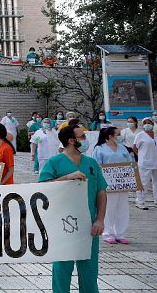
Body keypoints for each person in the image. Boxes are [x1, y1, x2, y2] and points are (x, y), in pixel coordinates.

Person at [39, 125, 107, 293]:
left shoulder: (91, 163)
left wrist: (99, 220)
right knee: (62, 269)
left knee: (89, 269)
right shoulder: (54, 162)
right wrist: (67, 178)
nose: (86, 140)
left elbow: (101, 192)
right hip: (62, 224)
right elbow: (42, 189)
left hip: (89, 224)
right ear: (71, 141)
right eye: (82, 137)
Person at [93, 127, 133, 244]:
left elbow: (130, 163)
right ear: (110, 136)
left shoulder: (122, 147)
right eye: (118, 134)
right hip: (107, 183)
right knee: (109, 208)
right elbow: (96, 165)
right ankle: (107, 233)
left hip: (122, 182)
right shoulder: (99, 149)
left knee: (123, 208)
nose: (120, 136)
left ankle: (120, 233)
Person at [133, 118, 156, 210]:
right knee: (144, 183)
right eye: (145, 123)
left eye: (149, 123)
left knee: (156, 183)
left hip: (155, 162)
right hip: (145, 163)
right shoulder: (140, 135)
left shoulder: (156, 134)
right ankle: (140, 201)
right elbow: (135, 148)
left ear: (153, 124)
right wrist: (142, 156)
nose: (147, 124)